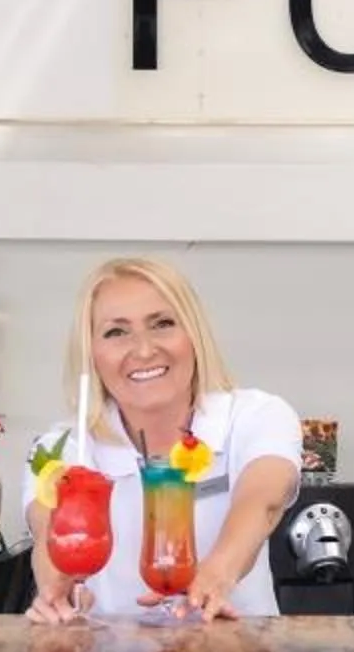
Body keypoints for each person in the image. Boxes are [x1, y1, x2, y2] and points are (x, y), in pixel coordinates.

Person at [27, 257, 302, 621]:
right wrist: (54, 589)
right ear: (91, 353)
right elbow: (45, 527)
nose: (143, 350)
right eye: (116, 332)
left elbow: (264, 499)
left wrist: (217, 574)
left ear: (193, 335)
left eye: (162, 324)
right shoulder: (63, 448)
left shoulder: (255, 416)